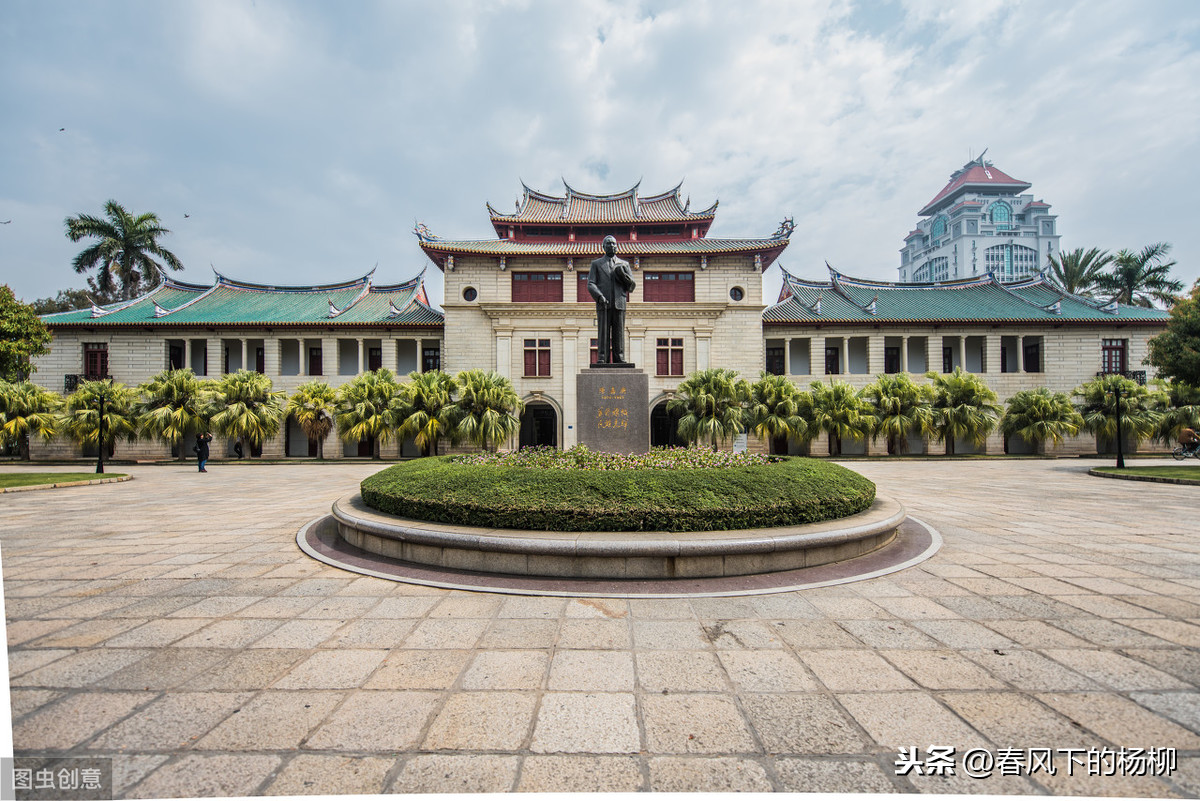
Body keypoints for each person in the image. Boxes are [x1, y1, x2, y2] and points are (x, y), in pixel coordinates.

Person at [587, 235, 636, 364]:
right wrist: (599, 296)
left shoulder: (624, 264)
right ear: (603, 247)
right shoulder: (596, 264)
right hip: (603, 303)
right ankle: (602, 357)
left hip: (619, 303)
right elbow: (591, 283)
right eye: (609, 244)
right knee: (603, 331)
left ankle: (619, 357)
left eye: (614, 244)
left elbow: (631, 286)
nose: (612, 246)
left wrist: (623, 275)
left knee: (619, 332)